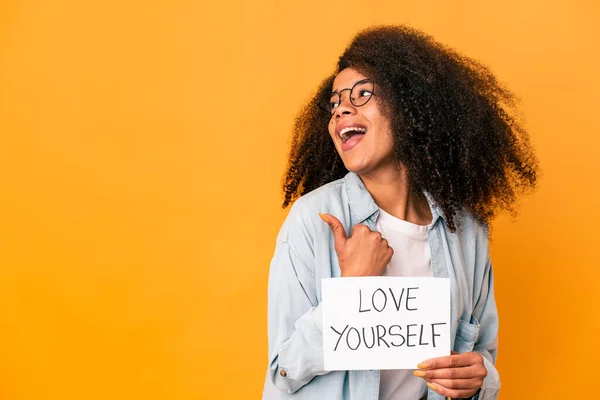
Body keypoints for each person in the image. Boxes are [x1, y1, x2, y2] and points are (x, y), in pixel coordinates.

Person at [262, 25, 538, 400]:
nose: (342, 108)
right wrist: (352, 289)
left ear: (409, 106)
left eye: (362, 94)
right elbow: (284, 370)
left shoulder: (468, 231)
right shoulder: (314, 219)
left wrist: (480, 379)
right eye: (335, 102)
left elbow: (482, 361)